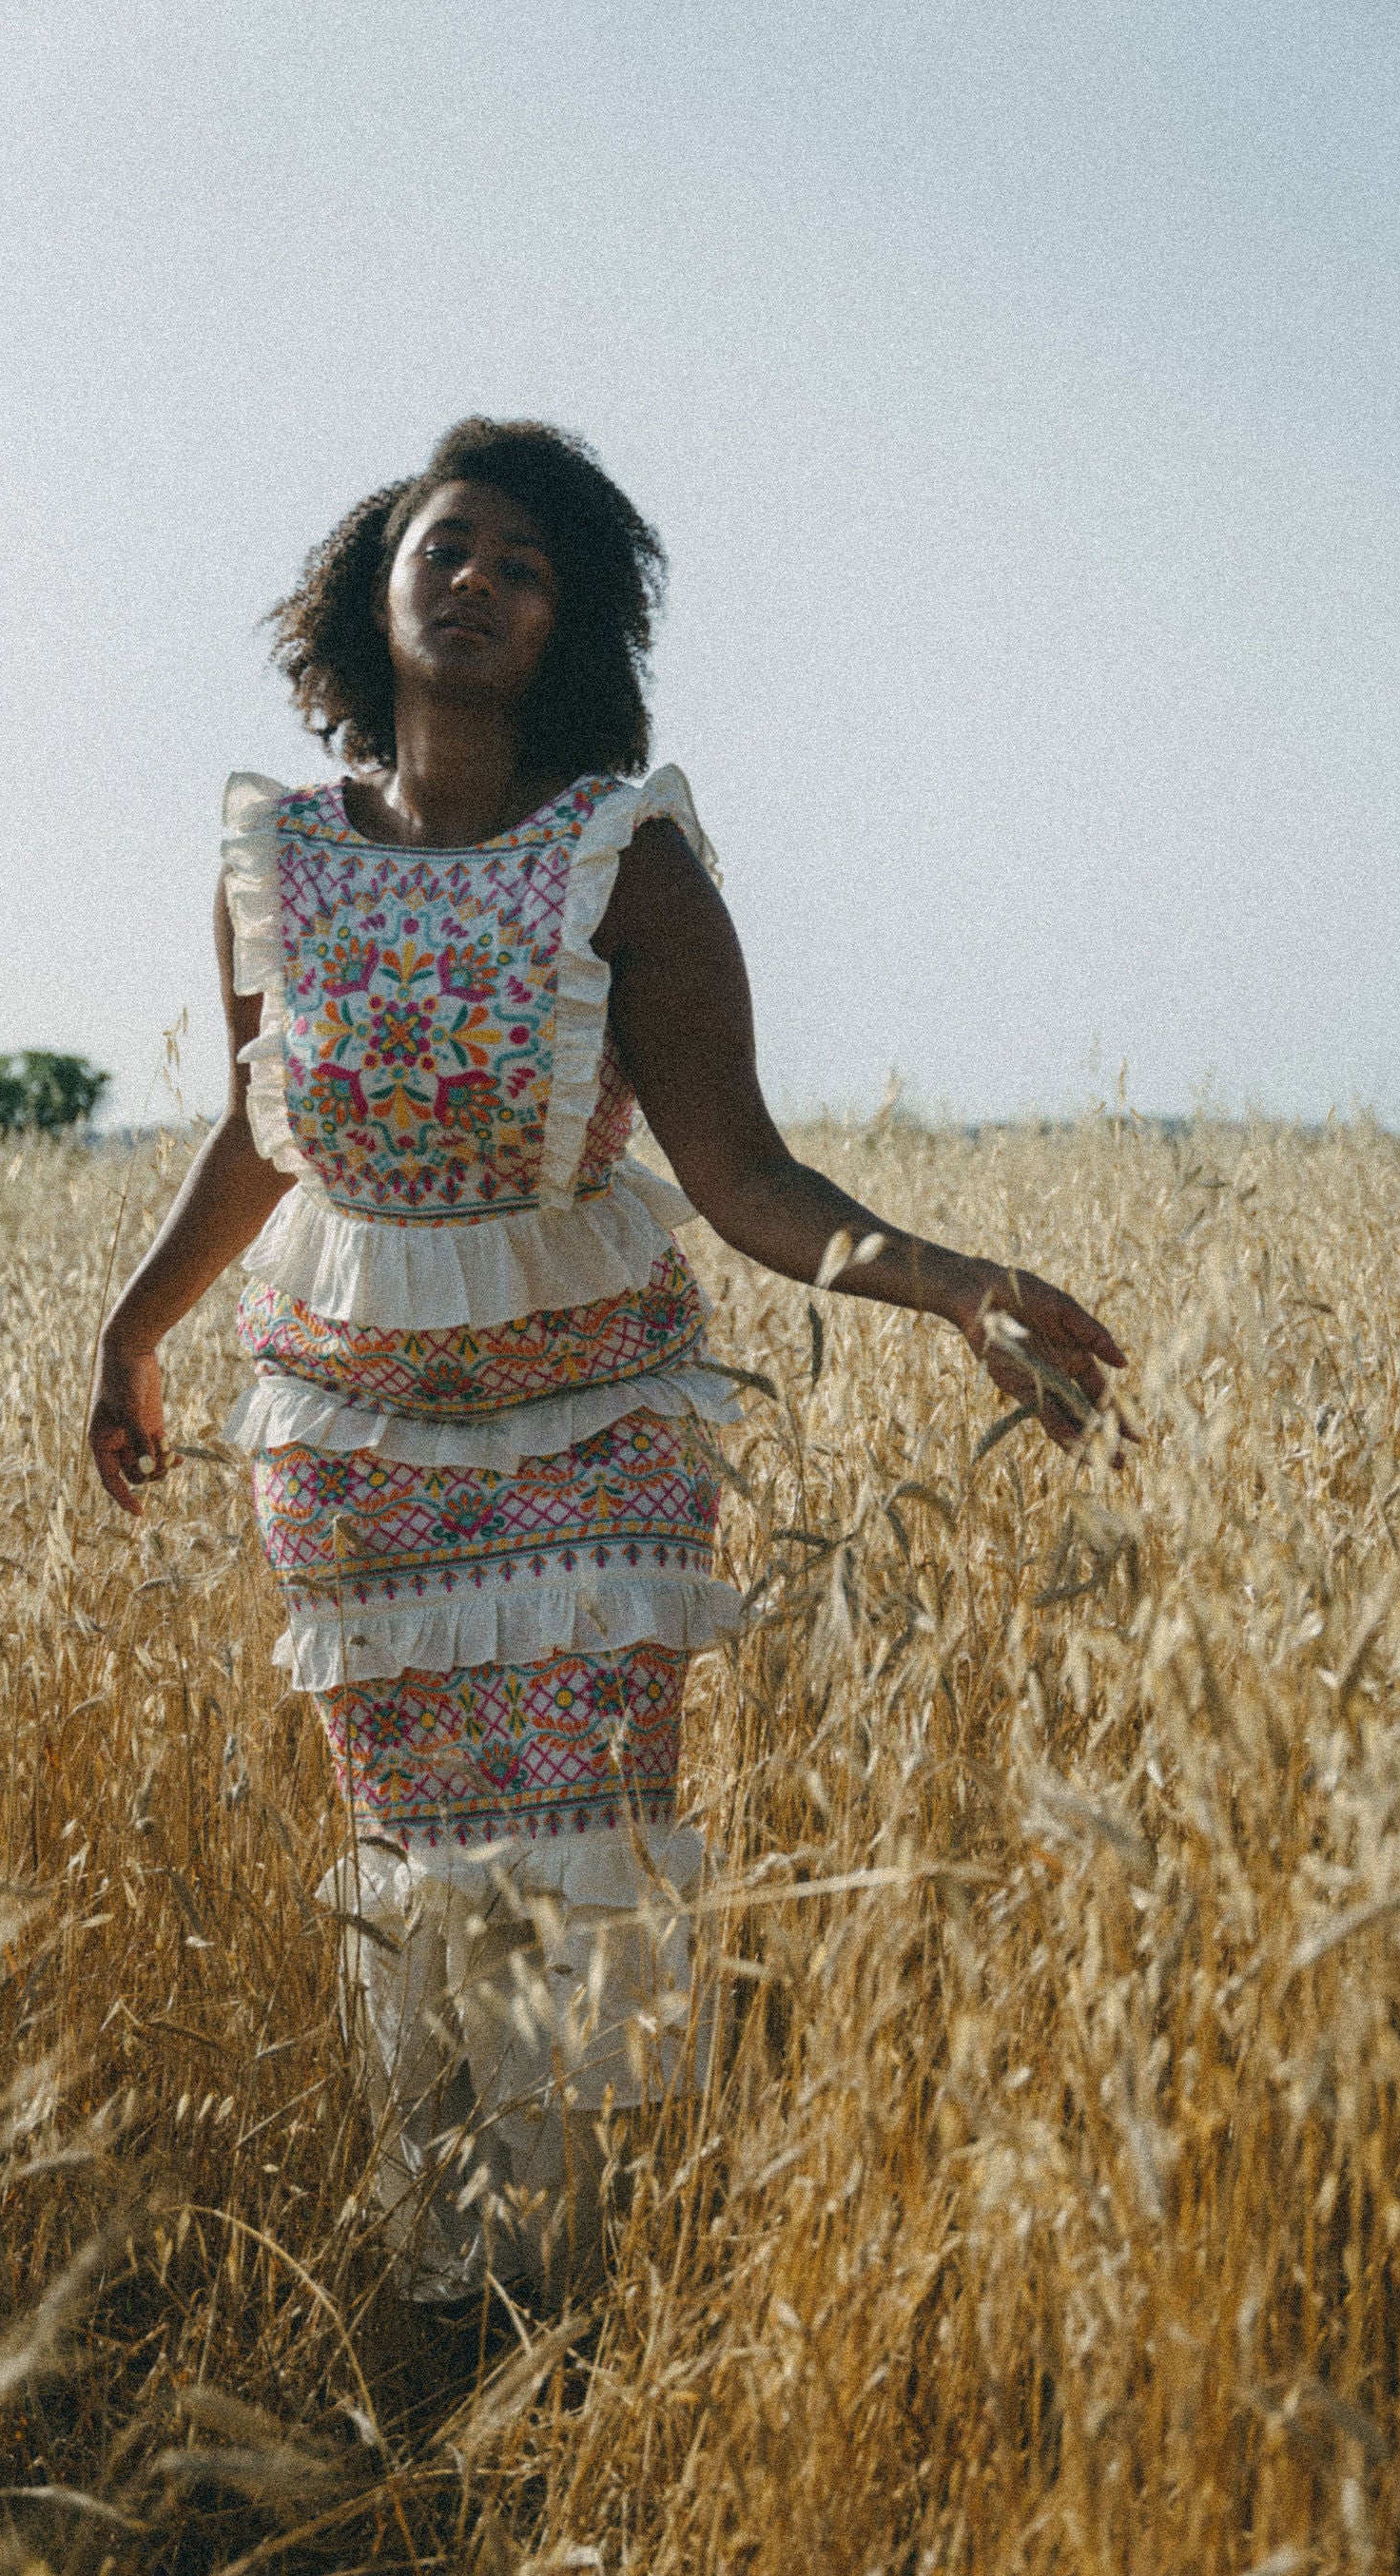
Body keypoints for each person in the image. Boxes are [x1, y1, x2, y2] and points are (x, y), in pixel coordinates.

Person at [89, 417, 1126, 2304]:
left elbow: (737, 1170)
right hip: (345, 1437)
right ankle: (437, 2290)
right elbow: (259, 1134)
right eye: (443, 545)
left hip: (594, 1434)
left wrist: (956, 1284)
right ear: (373, 584)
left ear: (564, 627)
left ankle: (573, 2296)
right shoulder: (281, 853)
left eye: (519, 564)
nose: (472, 578)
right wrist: (132, 1328)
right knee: (411, 1855)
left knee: (580, 1853)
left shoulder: (619, 859)